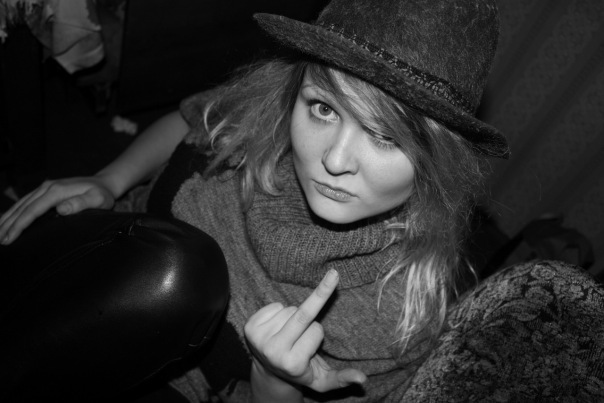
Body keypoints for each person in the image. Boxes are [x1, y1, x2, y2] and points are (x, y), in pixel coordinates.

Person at [0, 0, 513, 401]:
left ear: (437, 163)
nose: (334, 159)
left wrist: (275, 381)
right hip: (100, 254)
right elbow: (190, 120)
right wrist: (109, 180)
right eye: (324, 108)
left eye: (384, 136)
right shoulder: (265, 113)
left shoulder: (395, 320)